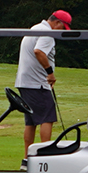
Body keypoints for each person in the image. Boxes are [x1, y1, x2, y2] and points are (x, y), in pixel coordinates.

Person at [16, 10, 71, 148]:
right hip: (37, 83)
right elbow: (39, 51)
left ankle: (27, 157)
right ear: (57, 22)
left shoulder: (35, 28)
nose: (61, 31)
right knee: (47, 117)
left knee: (31, 121)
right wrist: (50, 73)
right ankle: (44, 153)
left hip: (25, 82)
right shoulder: (47, 34)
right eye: (62, 27)